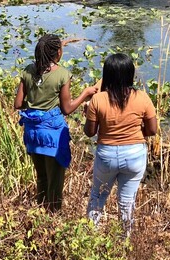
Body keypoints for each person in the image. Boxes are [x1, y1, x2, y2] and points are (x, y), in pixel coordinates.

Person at [14, 34, 98, 211]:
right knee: (56, 181)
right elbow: (67, 109)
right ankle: (53, 217)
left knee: (42, 178)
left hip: (32, 133)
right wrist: (85, 94)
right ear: (57, 53)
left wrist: (35, 104)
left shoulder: (28, 70)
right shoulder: (62, 74)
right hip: (52, 135)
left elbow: (18, 104)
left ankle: (40, 214)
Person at [85, 53, 158, 233]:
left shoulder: (98, 99)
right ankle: (126, 240)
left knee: (98, 196)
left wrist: (87, 114)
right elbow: (152, 130)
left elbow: (90, 132)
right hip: (134, 155)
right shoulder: (142, 97)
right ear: (130, 75)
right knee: (126, 202)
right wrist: (137, 132)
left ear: (107, 75)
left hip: (106, 155)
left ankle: (89, 238)